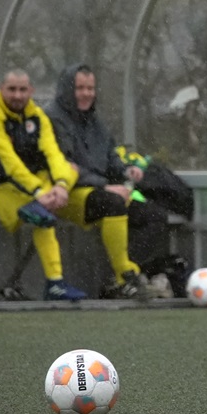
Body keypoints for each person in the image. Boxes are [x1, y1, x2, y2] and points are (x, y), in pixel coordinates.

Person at [0, 70, 143, 301]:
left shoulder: (37, 116)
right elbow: (10, 163)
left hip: (34, 188)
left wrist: (60, 185)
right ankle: (54, 283)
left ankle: (124, 278)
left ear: (31, 91)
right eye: (11, 90)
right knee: (40, 213)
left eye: (22, 90)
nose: (17, 95)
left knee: (111, 202)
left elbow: (54, 155)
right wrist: (39, 192)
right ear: (1, 89)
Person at [45, 63, 160, 298]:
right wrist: (105, 186)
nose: (86, 94)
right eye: (80, 88)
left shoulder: (94, 120)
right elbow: (65, 166)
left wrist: (126, 171)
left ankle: (123, 276)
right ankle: (123, 277)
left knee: (153, 216)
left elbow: (110, 156)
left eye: (90, 88)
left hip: (98, 191)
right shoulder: (53, 118)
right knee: (112, 202)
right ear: (67, 89)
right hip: (64, 192)